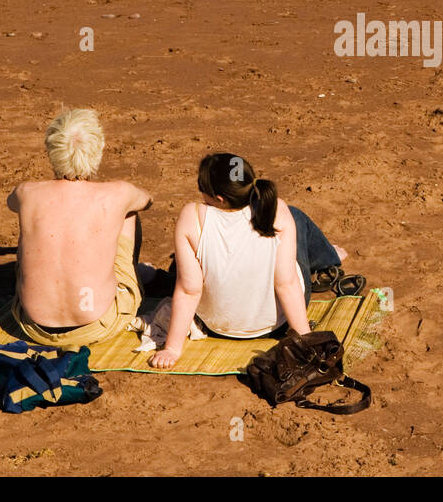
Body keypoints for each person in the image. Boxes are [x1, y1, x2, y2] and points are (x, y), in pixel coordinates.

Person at [148, 153, 346, 369]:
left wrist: (172, 348)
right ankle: (329, 257)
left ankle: (328, 254)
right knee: (295, 216)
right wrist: (305, 339)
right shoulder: (277, 208)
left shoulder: (191, 216)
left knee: (185, 260)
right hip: (276, 326)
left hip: (215, 326)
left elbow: (189, 290)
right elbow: (286, 284)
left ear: (220, 198)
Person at [7, 108, 153, 349]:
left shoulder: (27, 192)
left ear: (51, 151)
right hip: (97, 323)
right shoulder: (117, 193)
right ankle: (133, 283)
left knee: (30, 224)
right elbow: (147, 201)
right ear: (99, 148)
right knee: (129, 212)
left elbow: (11, 203)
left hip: (32, 325)